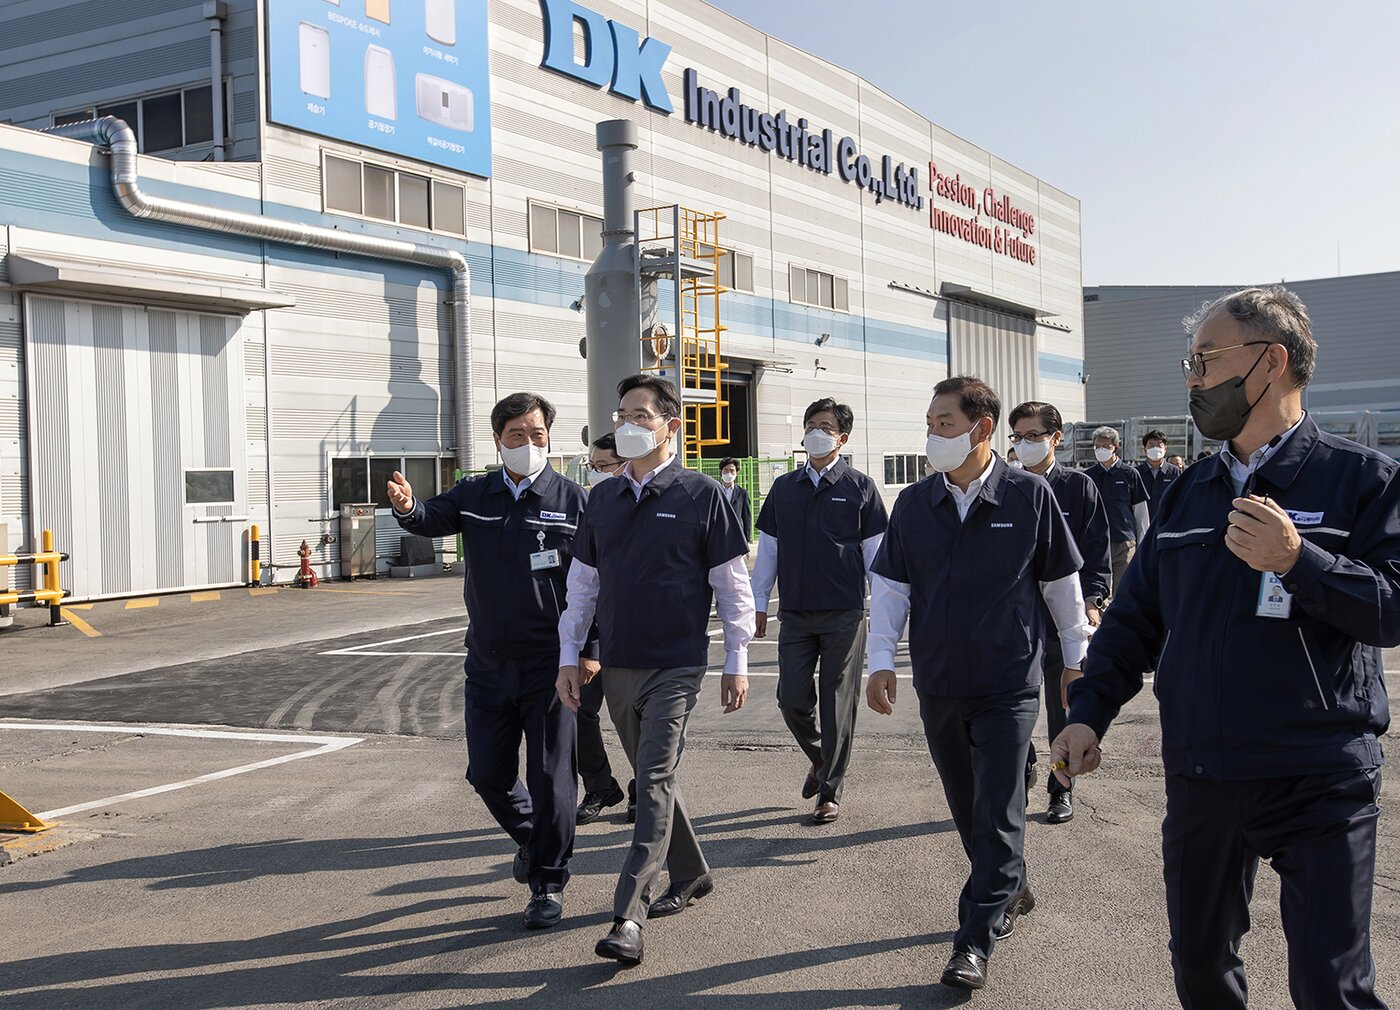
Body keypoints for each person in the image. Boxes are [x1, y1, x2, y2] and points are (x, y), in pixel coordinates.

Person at [1054, 285, 1396, 1010]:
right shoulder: (1189, 493)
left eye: (1206, 359)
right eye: (1191, 362)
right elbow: (1135, 618)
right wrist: (1088, 714)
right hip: (1205, 771)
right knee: (1202, 968)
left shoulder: (1363, 481)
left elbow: (1393, 607)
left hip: (1320, 776)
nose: (1193, 379)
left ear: (1272, 361)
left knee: (1332, 986)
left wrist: (1300, 561)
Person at [866, 376, 1091, 992]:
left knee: (997, 809)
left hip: (1008, 681)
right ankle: (1010, 883)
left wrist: (1076, 660)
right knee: (968, 806)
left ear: (981, 428)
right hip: (939, 679)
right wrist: (880, 660)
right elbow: (892, 589)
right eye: (930, 423)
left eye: (943, 423)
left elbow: (1060, 586)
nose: (932, 434)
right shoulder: (914, 504)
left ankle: (973, 940)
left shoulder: (1029, 496)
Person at [557, 373, 755, 966]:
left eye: (640, 415)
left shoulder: (703, 495)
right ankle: (691, 873)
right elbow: (582, 588)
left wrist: (737, 659)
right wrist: (569, 656)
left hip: (677, 663)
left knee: (650, 781)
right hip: (618, 663)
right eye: (621, 414)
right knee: (654, 776)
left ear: (672, 425)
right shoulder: (602, 500)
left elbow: (733, 586)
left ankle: (628, 915)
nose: (627, 424)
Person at [388, 392, 587, 931]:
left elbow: (596, 584)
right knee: (487, 773)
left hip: (551, 664)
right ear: (498, 440)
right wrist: (407, 506)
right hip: (488, 663)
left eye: (537, 434)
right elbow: (430, 518)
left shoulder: (574, 501)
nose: (528, 444)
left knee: (551, 779)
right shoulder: (476, 493)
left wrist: (588, 652)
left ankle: (548, 883)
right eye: (516, 435)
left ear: (549, 437)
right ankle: (534, 840)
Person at [750, 398, 887, 824]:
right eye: (810, 424)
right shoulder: (784, 488)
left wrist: (884, 614)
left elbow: (876, 556)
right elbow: (768, 551)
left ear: (842, 438)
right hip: (795, 612)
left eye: (825, 426)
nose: (815, 432)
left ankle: (830, 792)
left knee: (837, 702)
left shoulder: (861, 488)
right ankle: (822, 758)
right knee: (791, 700)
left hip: (844, 612)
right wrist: (758, 604)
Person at [1008, 400, 1111, 826]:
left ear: (1056, 437)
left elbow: (1097, 553)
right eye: (1018, 437)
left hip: (1063, 622)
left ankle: (1060, 786)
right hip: (1016, 621)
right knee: (1011, 708)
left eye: (1034, 435)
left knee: (1061, 708)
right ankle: (1024, 767)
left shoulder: (1079, 487)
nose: (1025, 444)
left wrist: (1094, 601)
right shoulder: (1006, 487)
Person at [574, 433, 632, 826]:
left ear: (626, 465)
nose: (595, 474)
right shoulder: (590, 507)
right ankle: (599, 786)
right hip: (595, 636)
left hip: (636, 637)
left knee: (640, 720)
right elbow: (585, 584)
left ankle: (645, 789)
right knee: (578, 710)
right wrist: (588, 646)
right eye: (592, 467)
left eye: (603, 467)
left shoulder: (650, 507)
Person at [1085, 425, 1149, 596]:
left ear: (1116, 446)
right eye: (1097, 446)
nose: (1101, 450)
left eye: (1105, 446)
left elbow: (1141, 514)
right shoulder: (1088, 476)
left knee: (1123, 590)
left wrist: (1143, 544)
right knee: (1097, 590)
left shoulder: (1130, 474)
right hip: (1096, 542)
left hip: (1124, 541)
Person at [1136, 429, 1183, 523]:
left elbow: (1181, 498)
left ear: (1165, 449)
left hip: (1167, 522)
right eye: (1151, 445)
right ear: (1145, 450)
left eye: (1159, 445)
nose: (1155, 448)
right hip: (1143, 523)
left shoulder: (1175, 472)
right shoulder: (1136, 472)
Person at [717, 456, 753, 544]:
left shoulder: (742, 493)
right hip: (718, 536)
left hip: (736, 537)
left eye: (732, 470)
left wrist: (746, 540)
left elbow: (747, 518)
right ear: (720, 472)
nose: (729, 473)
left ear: (736, 473)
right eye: (725, 470)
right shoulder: (715, 491)